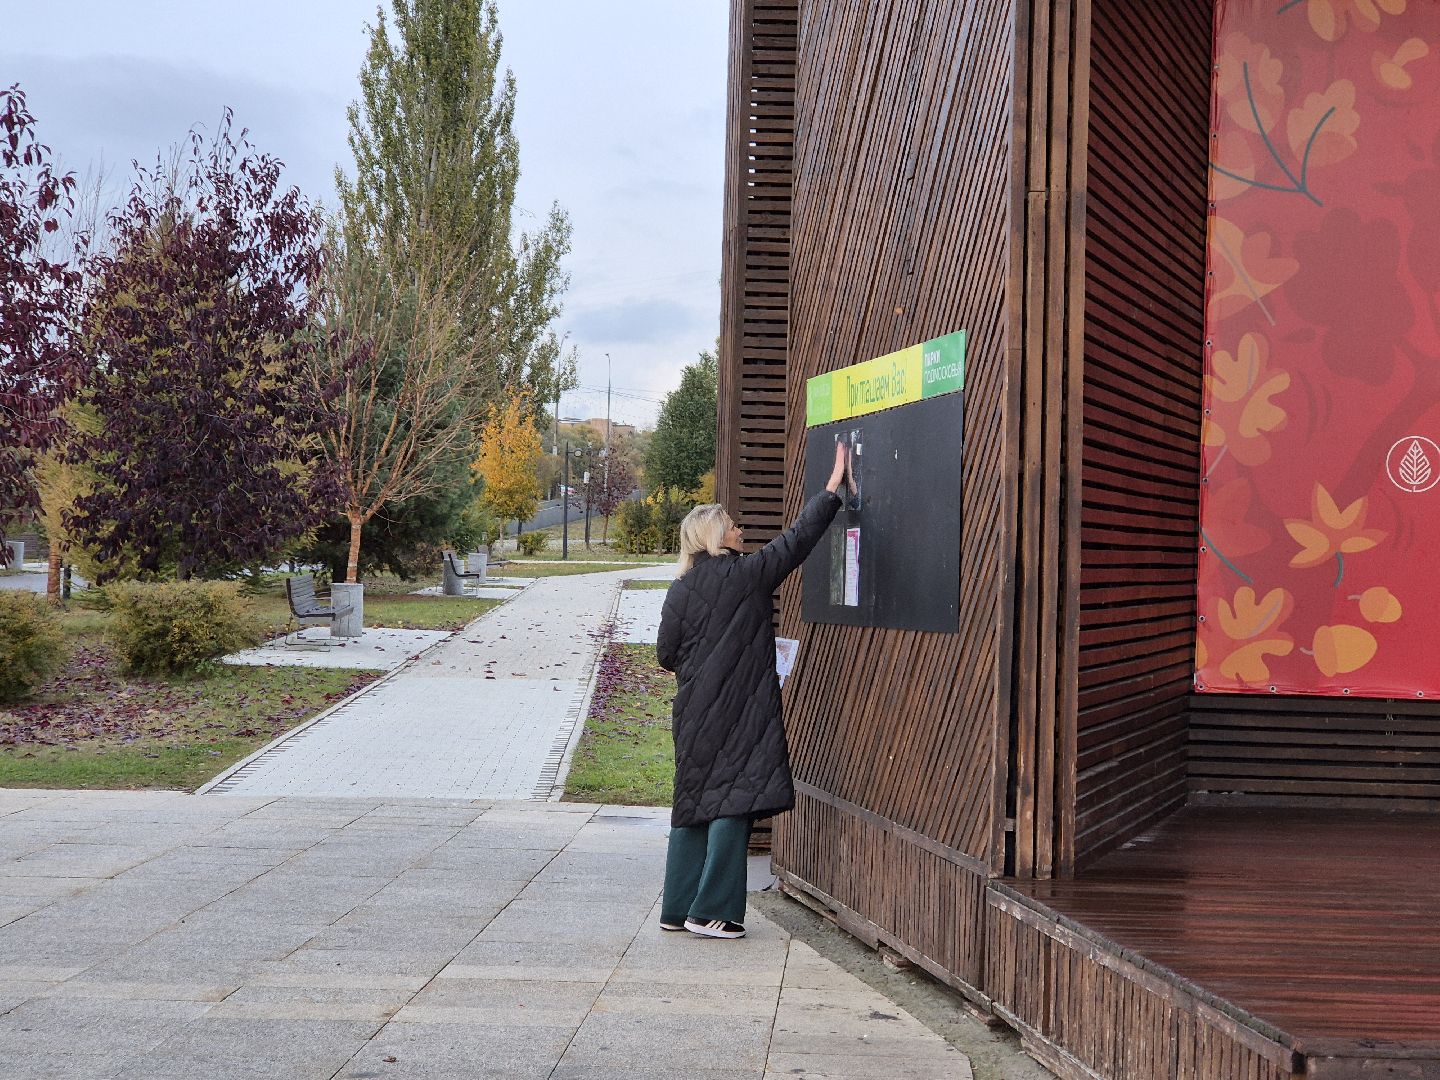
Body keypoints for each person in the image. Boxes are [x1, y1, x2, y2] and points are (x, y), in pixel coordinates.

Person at [655, 440, 849, 939]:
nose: (741, 530)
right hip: (740, 711)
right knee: (733, 800)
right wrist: (830, 491)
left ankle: (678, 908)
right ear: (718, 535)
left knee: (694, 800)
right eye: (734, 525)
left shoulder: (679, 589)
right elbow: (796, 541)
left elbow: (665, 655)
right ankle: (713, 912)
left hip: (693, 710)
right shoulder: (745, 577)